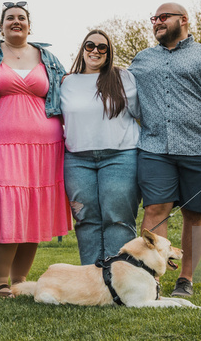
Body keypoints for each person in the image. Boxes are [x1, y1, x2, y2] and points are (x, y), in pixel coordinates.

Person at [0, 1, 72, 298]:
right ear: (1, 25)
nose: (16, 22)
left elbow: (71, 90)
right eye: (10, 18)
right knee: (4, 208)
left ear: (29, 25)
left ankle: (20, 280)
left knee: (33, 210)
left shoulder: (48, 58)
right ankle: (0, 282)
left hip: (45, 146)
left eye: (21, 18)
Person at [129, 2, 201, 298]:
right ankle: (151, 279)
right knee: (154, 210)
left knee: (194, 214)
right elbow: (117, 88)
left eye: (164, 17)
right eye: (154, 18)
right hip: (153, 148)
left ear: (183, 20)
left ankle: (185, 279)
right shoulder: (141, 59)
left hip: (198, 149)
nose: (157, 22)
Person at [60, 30, 141, 265]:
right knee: (86, 219)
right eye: (90, 45)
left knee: (118, 218)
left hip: (120, 157)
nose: (95, 50)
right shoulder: (66, 82)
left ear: (108, 53)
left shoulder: (123, 77)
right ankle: (92, 278)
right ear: (83, 48)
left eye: (102, 47)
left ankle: (119, 278)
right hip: (77, 160)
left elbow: (140, 114)